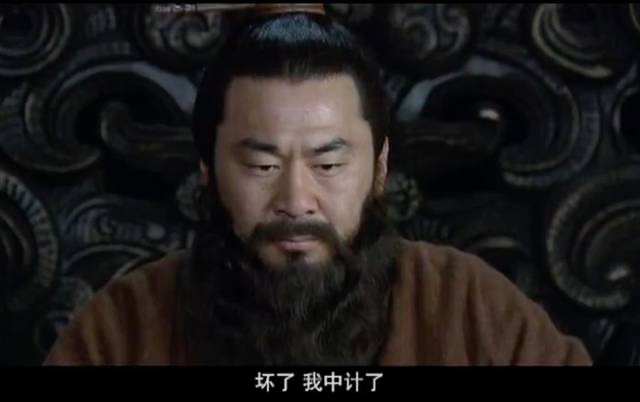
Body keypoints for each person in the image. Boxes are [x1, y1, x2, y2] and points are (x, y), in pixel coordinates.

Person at [44, 4, 592, 366]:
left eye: (328, 165)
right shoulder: (122, 328)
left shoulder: (469, 309)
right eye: (261, 166)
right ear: (208, 173)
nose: (295, 201)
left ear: (379, 168)